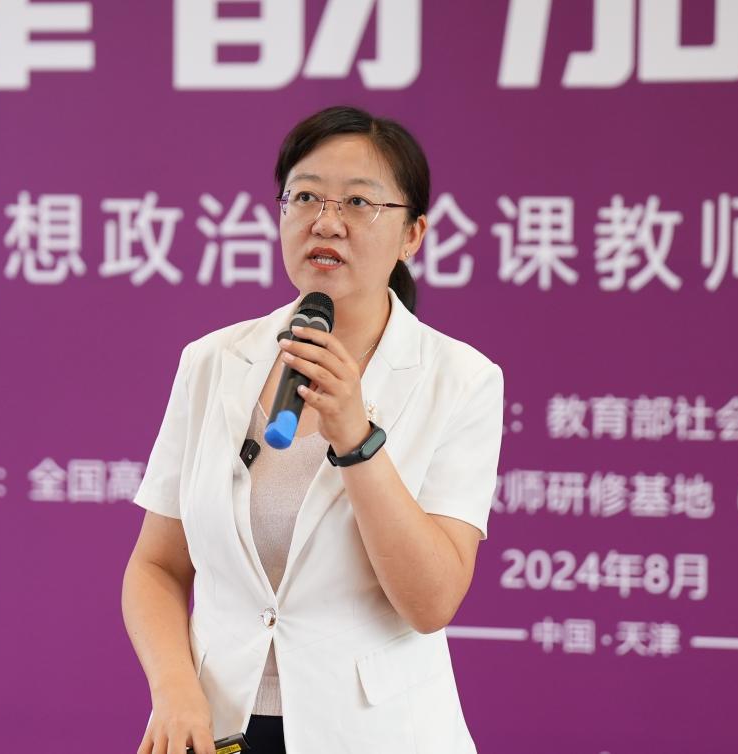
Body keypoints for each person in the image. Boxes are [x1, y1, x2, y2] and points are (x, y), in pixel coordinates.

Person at [121, 105, 504, 754]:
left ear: (413, 234)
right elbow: (155, 565)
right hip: (222, 727)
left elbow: (431, 602)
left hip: (375, 735)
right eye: (304, 197)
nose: (326, 222)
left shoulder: (461, 379)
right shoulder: (213, 361)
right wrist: (175, 688)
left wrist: (356, 438)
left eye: (359, 202)